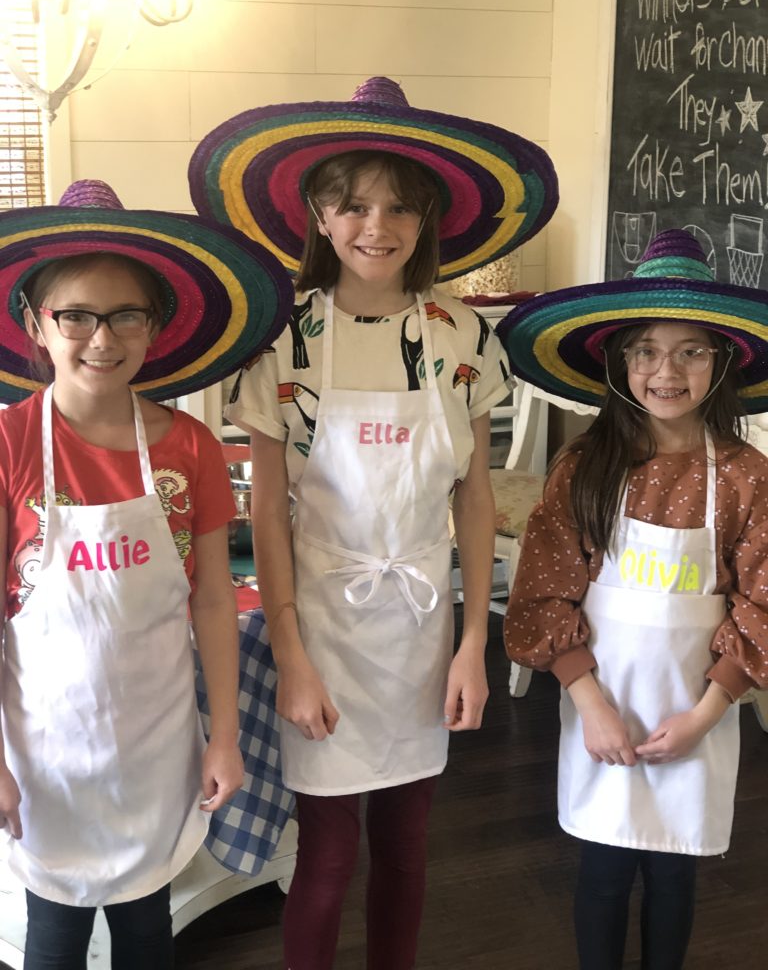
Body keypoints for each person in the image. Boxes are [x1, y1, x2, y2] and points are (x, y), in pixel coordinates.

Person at [188, 76, 558, 969]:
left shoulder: (461, 336)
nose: (376, 226)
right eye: (353, 205)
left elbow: (472, 497)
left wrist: (477, 641)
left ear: (428, 219)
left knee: (406, 844)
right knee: (325, 858)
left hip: (423, 630)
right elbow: (267, 511)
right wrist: (295, 655)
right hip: (321, 622)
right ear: (318, 214)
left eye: (399, 207)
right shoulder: (286, 341)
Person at [0, 179, 294, 969]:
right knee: (54, 938)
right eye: (76, 316)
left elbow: (210, 604)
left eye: (126, 314)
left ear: (155, 326)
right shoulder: (9, 445)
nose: (102, 338)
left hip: (156, 742)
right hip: (44, 750)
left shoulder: (188, 447)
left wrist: (224, 735)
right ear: (36, 322)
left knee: (144, 931)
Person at [499, 228, 768, 970]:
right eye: (646, 350)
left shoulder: (747, 477)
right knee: (605, 871)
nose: (667, 370)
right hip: (602, 708)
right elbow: (545, 594)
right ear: (619, 364)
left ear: (724, 361)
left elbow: (760, 606)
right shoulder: (586, 467)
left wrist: (707, 716)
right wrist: (590, 704)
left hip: (696, 716)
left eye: (691, 350)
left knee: (676, 870)